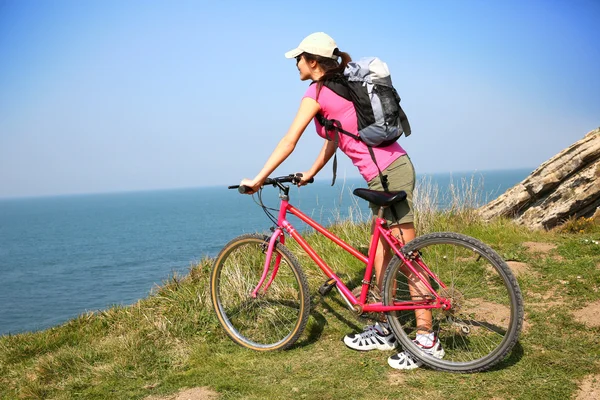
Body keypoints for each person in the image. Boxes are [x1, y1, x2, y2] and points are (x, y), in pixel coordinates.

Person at [239, 32, 443, 370]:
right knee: (380, 257)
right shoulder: (342, 86)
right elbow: (336, 136)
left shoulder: (317, 92)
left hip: (389, 172)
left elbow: (289, 139)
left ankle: (426, 339)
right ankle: (386, 328)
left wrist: (258, 178)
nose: (296, 65)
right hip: (386, 171)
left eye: (299, 59)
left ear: (314, 62)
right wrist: (311, 170)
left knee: (409, 258)